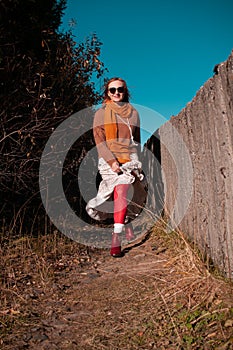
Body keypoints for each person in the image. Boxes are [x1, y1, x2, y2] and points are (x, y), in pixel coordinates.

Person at [86, 77, 144, 257]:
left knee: (133, 191)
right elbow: (99, 141)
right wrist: (112, 162)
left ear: (125, 92)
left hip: (129, 158)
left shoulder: (133, 113)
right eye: (112, 90)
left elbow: (137, 141)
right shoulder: (101, 114)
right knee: (121, 186)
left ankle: (127, 224)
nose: (116, 93)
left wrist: (136, 161)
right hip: (108, 158)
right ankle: (116, 236)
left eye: (120, 89)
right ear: (107, 93)